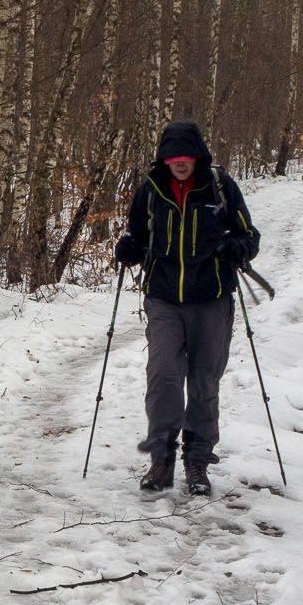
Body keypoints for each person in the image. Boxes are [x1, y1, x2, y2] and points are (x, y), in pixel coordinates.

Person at [113, 120, 259, 496]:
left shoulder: (220, 188)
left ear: (197, 157)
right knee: (162, 376)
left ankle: (197, 462)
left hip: (211, 300)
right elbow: (135, 235)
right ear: (164, 159)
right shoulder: (151, 191)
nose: (179, 163)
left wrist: (237, 249)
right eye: (172, 157)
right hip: (163, 298)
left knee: (204, 381)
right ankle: (161, 459)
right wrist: (127, 250)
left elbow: (249, 235)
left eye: (186, 156)